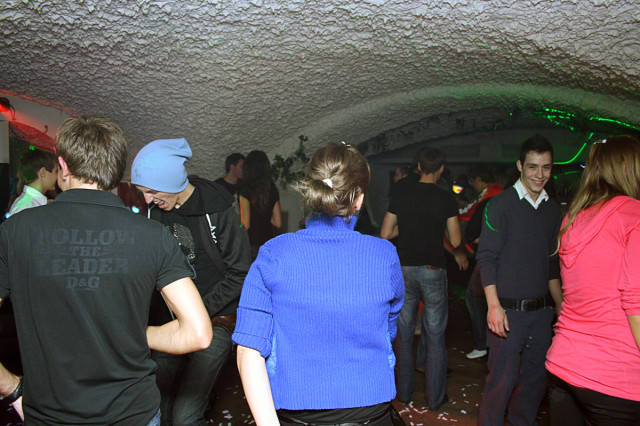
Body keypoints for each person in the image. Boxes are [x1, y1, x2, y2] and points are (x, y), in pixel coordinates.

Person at [0, 115, 213, 424]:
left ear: (63, 166)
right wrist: (139, 334)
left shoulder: (15, 231)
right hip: (133, 414)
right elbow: (198, 333)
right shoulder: (152, 235)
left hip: (49, 416)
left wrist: (11, 388)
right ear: (117, 171)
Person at [233, 142, 404, 425]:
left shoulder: (274, 253)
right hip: (372, 411)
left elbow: (248, 350)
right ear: (359, 199)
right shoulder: (385, 255)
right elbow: (388, 328)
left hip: (296, 414)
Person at [131, 138, 251, 426]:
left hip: (216, 320)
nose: (147, 200)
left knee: (184, 416)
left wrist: (196, 312)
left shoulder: (218, 208)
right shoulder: (154, 212)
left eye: (151, 191)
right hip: (171, 321)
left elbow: (240, 272)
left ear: (171, 181)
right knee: (155, 407)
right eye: (142, 192)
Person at [546, 135, 640, 425]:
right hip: (615, 373)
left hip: (564, 363)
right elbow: (635, 304)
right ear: (626, 166)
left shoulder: (573, 218)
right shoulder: (634, 215)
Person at [476, 135, 563, 425]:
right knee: (501, 383)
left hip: (541, 314)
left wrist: (560, 307)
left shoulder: (553, 209)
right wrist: (494, 307)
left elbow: (552, 263)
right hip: (508, 313)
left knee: (534, 384)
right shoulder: (499, 205)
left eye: (546, 167)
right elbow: (486, 258)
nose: (540, 174)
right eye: (533, 167)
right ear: (520, 166)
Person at [380, 146, 463, 411]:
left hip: (404, 269)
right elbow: (455, 240)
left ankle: (404, 394)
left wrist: (407, 228)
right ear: (441, 169)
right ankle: (434, 399)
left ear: (418, 167)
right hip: (433, 269)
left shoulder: (402, 192)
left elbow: (385, 233)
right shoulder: (445, 197)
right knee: (435, 336)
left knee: (403, 335)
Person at [460, 166, 503, 360]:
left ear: (478, 179)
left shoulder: (490, 196)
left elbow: (471, 219)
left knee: (474, 295)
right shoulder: (500, 194)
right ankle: (491, 344)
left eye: (472, 182)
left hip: (490, 255)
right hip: (496, 255)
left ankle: (483, 344)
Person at [239, 150, 282, 259]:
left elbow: (245, 225)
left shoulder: (245, 192)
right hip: (268, 244)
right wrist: (265, 214)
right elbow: (278, 223)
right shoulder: (272, 190)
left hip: (250, 245)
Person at [8, 148, 59, 215]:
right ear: (43, 173)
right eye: (56, 171)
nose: (58, 176)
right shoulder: (27, 207)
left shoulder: (31, 204)